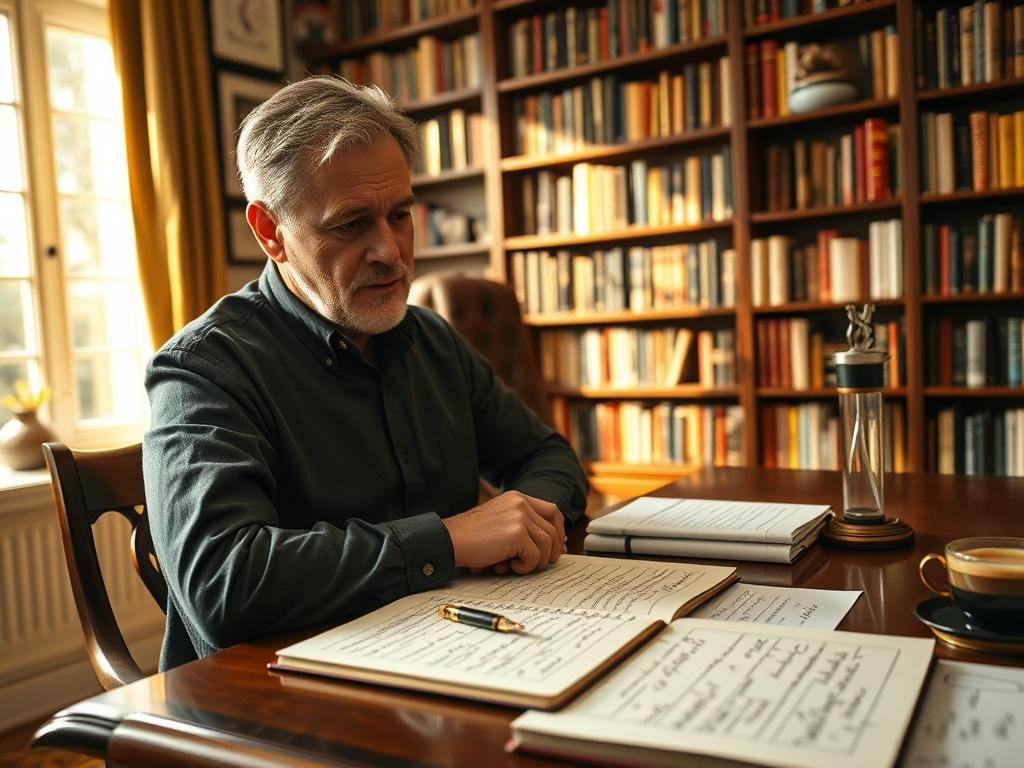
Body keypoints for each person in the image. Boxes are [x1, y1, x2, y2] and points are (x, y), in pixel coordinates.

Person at [142, 76, 589, 671]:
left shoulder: (432, 340)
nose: (391, 251)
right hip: (272, 693)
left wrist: (527, 520)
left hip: (456, 652)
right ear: (270, 231)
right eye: (351, 224)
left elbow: (547, 455)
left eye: (400, 215)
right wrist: (450, 540)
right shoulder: (203, 369)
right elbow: (224, 584)